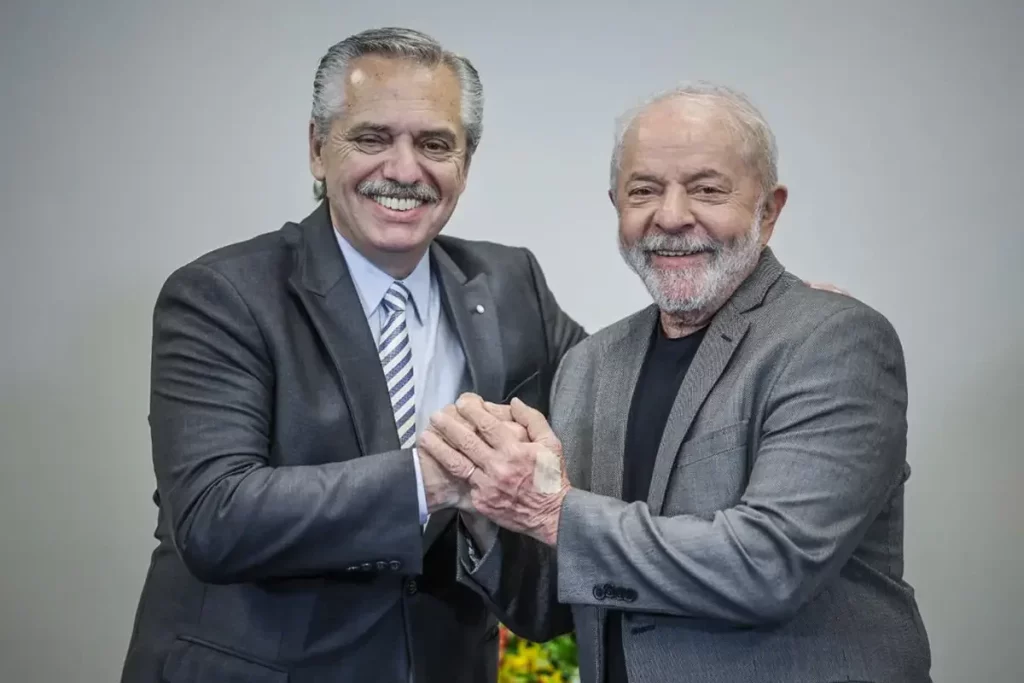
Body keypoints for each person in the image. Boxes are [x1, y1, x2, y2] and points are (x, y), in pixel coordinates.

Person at [118, 27, 588, 683]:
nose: (404, 170)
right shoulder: (220, 294)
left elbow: (610, 401)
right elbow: (213, 516)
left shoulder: (513, 284)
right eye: (372, 138)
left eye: (435, 144)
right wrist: (430, 480)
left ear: (465, 162)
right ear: (318, 148)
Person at [422, 83, 933, 682]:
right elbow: (553, 606)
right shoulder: (590, 364)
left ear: (769, 210)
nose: (670, 215)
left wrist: (551, 512)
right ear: (616, 206)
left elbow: (770, 566)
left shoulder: (834, 341)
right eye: (643, 190)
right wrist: (484, 504)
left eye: (707, 189)